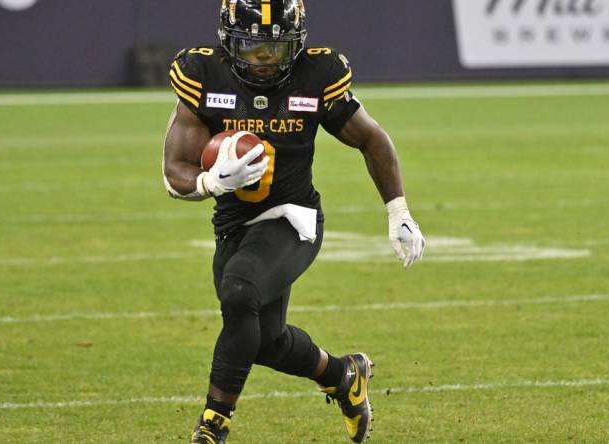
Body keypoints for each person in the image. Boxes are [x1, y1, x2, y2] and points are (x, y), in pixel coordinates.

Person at [162, 1, 425, 442]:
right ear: (229, 43)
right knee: (265, 341)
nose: (264, 62)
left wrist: (398, 210)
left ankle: (213, 424)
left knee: (240, 290)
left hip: (293, 218)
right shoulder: (203, 76)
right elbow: (175, 173)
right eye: (252, 49)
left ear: (297, 45)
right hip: (234, 224)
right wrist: (210, 181)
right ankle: (345, 375)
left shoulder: (316, 76)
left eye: (276, 51)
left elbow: (371, 138)